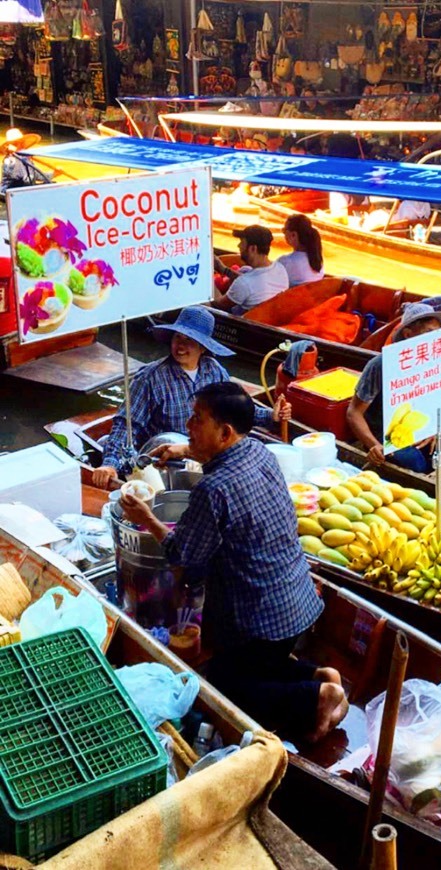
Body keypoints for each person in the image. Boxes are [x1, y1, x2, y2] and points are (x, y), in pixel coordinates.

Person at [120, 382, 347, 743]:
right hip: (298, 602)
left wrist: (147, 517)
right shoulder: (259, 451)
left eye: (197, 420)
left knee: (224, 686)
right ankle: (321, 675)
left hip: (258, 619)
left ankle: (314, 698)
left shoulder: (213, 490)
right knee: (259, 666)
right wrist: (187, 448)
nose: (188, 424)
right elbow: (226, 460)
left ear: (224, 432)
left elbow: (183, 555)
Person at [92, 307, 290, 487]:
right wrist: (110, 464)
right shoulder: (150, 378)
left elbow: (234, 412)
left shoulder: (214, 370)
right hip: (166, 463)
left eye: (190, 341)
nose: (181, 346)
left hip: (207, 455)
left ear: (203, 347)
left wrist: (271, 416)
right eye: (178, 337)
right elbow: (126, 425)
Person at [347, 303, 441, 472]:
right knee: (415, 463)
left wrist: (435, 429)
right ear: (408, 334)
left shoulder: (436, 361)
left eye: (438, 333)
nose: (436, 338)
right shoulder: (382, 364)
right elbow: (354, 412)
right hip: (389, 435)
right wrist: (375, 445)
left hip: (423, 429)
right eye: (429, 333)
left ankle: (436, 465)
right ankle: (424, 467)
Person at [213, 225, 289, 314]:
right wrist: (223, 269)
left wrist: (206, 274)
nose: (239, 245)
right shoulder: (280, 269)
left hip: (238, 323)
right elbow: (252, 282)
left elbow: (217, 305)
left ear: (253, 248)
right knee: (246, 270)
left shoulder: (244, 283)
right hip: (267, 318)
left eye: (242, 242)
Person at [277, 213, 325, 285]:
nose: (284, 234)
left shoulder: (285, 262)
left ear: (293, 235)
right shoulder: (318, 261)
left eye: (284, 231)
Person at [0, 128, 45, 193]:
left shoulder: (27, 159)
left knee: (51, 183)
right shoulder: (9, 160)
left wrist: (55, 173)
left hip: (25, 189)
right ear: (10, 146)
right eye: (16, 143)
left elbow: (37, 175)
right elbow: (15, 175)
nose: (21, 145)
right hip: (10, 191)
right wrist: (20, 159)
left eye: (22, 143)